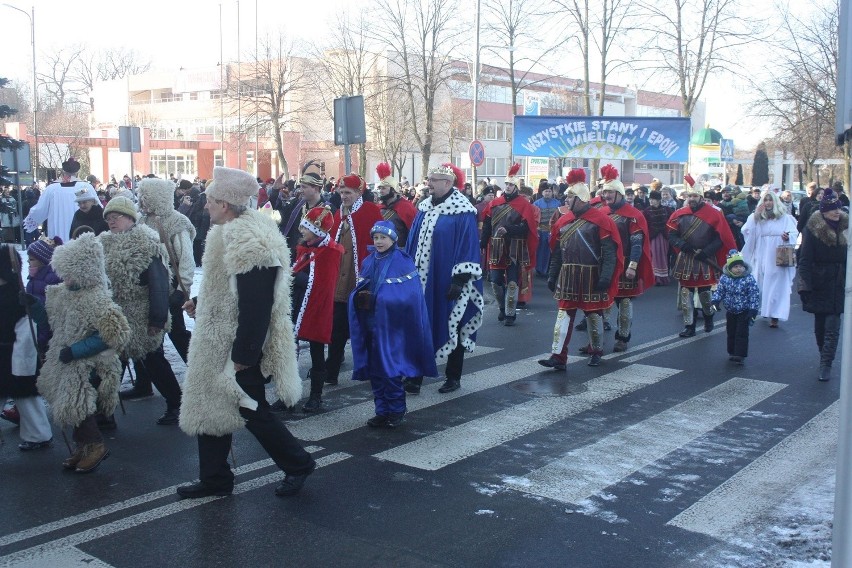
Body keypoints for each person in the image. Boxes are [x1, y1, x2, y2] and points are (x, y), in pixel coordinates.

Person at [177, 166, 315, 499]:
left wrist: (245, 353)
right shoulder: (228, 231)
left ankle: (297, 463)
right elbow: (229, 288)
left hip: (237, 342)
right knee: (213, 403)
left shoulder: (250, 238)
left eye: (210, 200)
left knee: (251, 408)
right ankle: (215, 479)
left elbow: (257, 303)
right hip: (219, 337)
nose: (205, 205)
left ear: (225, 203)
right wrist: (201, 301)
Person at [36, 233, 131, 472]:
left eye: (69, 273)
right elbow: (50, 319)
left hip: (87, 363)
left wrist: (77, 350)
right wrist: (32, 307)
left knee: (79, 404)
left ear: (84, 271)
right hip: (65, 359)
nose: (64, 278)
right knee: (67, 403)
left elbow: (114, 334)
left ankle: (95, 445)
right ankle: (83, 446)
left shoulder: (97, 299)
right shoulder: (64, 294)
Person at [100, 196, 183, 425]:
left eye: (115, 217)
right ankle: (105, 413)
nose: (111, 222)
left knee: (153, 360)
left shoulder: (147, 243)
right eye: (108, 218)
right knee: (110, 363)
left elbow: (159, 285)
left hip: (142, 313)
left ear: (129, 218)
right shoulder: (105, 242)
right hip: (116, 315)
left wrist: (156, 319)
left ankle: (176, 404)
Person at [403, 163, 484, 394]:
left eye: (434, 180)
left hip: (448, 280)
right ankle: (414, 377)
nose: (428, 183)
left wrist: (460, 280)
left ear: (448, 183)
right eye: (429, 179)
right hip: (420, 279)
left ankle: (453, 376)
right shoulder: (424, 207)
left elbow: (468, 246)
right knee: (419, 325)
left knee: (453, 323)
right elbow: (413, 242)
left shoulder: (463, 211)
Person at [349, 221, 437, 428]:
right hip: (371, 322)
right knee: (374, 371)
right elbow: (361, 287)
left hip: (393, 326)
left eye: (383, 237)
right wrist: (359, 297)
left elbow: (409, 295)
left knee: (390, 369)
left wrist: (381, 299)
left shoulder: (403, 261)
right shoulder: (369, 260)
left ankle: (396, 409)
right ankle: (381, 410)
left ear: (393, 239)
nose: (379, 241)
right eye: (376, 237)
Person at [309, 174, 383, 412]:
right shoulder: (338, 213)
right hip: (338, 276)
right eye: (341, 192)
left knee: (368, 324)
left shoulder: (370, 211)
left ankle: (374, 367)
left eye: (348, 192)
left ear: (359, 193)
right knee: (337, 324)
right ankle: (331, 370)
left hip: (359, 277)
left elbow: (379, 243)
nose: (344, 196)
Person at [538, 168, 622, 370]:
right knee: (563, 315)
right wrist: (552, 274)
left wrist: (605, 277)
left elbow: (609, 252)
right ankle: (558, 356)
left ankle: (596, 351)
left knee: (593, 314)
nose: (566, 201)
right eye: (566, 196)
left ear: (581, 198)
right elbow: (557, 252)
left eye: (570, 197)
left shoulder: (602, 221)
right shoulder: (563, 221)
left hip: (591, 274)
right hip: (568, 274)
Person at [271, 206, 342, 411]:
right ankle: (287, 394)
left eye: (306, 227)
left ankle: (316, 395)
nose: (301, 230)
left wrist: (293, 276)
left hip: (316, 307)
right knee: (289, 351)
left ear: (318, 230)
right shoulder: (305, 248)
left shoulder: (330, 252)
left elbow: (322, 284)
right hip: (297, 303)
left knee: (316, 352)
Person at [135, 178, 196, 365]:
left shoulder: (176, 222)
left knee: (177, 332)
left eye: (145, 197)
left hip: (170, 288)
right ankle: (144, 382)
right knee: (149, 336)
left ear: (156, 198)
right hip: (147, 287)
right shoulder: (141, 220)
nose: (141, 201)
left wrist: (180, 290)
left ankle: (199, 369)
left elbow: (186, 260)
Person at [0, 244, 53, 451]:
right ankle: (38, 434)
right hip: (4, 355)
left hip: (15, 355)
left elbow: (26, 331)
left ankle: (38, 435)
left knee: (26, 397)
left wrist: (24, 361)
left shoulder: (17, 298)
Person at [667, 184, 737, 337]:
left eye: (695, 196)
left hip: (705, 258)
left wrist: (707, 251)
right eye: (690, 196)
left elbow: (721, 238)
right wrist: (682, 245)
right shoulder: (679, 214)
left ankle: (709, 318)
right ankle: (689, 326)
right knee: (686, 294)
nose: (692, 199)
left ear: (700, 197)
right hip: (686, 257)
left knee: (705, 294)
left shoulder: (714, 214)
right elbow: (671, 235)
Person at [598, 165, 653, 353]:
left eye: (610, 192)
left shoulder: (633, 215)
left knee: (624, 302)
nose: (606, 196)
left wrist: (632, 266)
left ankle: (622, 337)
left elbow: (637, 243)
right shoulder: (601, 213)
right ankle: (594, 342)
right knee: (597, 302)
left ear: (619, 193)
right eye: (604, 192)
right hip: (604, 263)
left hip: (625, 262)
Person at [797, 188, 848, 382]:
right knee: (820, 326)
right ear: (824, 211)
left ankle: (826, 363)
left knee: (833, 326)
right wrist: (804, 285)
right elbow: (805, 259)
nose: (837, 212)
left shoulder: (846, 227)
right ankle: (822, 355)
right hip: (819, 280)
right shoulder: (813, 229)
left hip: (840, 281)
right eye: (833, 210)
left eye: (838, 209)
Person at [479, 163, 538, 326]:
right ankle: (502, 308)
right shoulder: (494, 203)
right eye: (507, 184)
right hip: (496, 247)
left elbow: (527, 228)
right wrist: (482, 244)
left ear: (516, 186)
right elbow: (487, 226)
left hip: (514, 248)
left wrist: (509, 229)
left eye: (511, 184)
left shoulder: (524, 205)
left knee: (512, 282)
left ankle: (510, 315)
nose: (508, 187)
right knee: (496, 281)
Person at [740, 190, 798, 328]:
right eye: (765, 200)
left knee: (777, 283)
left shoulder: (785, 218)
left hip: (778, 252)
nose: (768, 203)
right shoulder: (758, 218)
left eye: (770, 200)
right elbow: (747, 231)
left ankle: (775, 314)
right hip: (761, 252)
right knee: (760, 282)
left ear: (775, 202)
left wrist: (787, 236)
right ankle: (763, 309)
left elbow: (793, 232)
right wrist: (755, 215)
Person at [23, 158, 97, 242]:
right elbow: (96, 206)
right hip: (80, 230)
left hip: (58, 232)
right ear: (77, 172)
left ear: (63, 171)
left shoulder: (52, 189)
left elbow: (40, 209)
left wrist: (31, 221)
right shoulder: (85, 187)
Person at [710, 250, 760, 365]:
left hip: (744, 310)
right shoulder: (725, 278)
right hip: (731, 310)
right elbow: (720, 291)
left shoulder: (748, 279)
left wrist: (753, 310)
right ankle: (732, 351)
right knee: (731, 331)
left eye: (741, 266)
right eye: (735, 266)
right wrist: (715, 301)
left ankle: (740, 354)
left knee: (741, 333)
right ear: (729, 268)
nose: (739, 269)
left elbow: (754, 294)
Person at [276, 160, 329, 262]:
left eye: (304, 187)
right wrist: (274, 191)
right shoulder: (296, 205)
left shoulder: (327, 210)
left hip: (315, 260)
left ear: (316, 188)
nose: (300, 190)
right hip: (293, 258)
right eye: (300, 186)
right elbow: (278, 215)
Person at [376, 162, 417, 247]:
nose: (381, 191)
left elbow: (414, 233)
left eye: (384, 188)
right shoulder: (378, 208)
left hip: (400, 252)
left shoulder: (407, 207)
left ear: (394, 190)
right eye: (380, 188)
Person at [643, 190, 675, 285]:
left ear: (659, 200)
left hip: (664, 237)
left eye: (654, 199)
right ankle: (654, 278)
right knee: (654, 255)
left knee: (664, 256)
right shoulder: (647, 211)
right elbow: (645, 224)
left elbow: (671, 222)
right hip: (653, 237)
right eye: (650, 199)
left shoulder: (667, 209)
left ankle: (664, 277)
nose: (651, 201)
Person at [533, 185, 561, 276]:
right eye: (546, 191)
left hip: (554, 231)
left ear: (552, 192)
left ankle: (550, 270)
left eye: (549, 191)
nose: (548, 193)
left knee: (553, 251)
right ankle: (540, 269)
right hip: (541, 231)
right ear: (542, 192)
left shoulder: (558, 203)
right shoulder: (537, 203)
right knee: (541, 250)